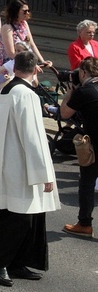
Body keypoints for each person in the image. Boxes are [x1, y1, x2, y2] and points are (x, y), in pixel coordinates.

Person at [0, 50, 60, 287]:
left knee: (14, 216)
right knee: (20, 219)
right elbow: (33, 136)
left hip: (6, 161)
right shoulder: (27, 95)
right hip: (21, 166)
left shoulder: (6, 90)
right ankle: (0, 262)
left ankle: (14, 261)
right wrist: (43, 173)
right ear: (35, 70)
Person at [60, 56, 98, 238]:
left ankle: (84, 224)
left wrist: (69, 93)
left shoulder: (85, 91)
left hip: (94, 145)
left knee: (87, 183)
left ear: (83, 72)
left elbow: (65, 113)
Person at [0, 0, 51, 99]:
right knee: (3, 95)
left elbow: (32, 44)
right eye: (24, 11)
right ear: (16, 12)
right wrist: (30, 62)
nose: (27, 13)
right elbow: (11, 53)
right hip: (10, 66)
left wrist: (42, 60)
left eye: (28, 10)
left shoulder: (24, 24)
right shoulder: (7, 27)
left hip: (25, 65)